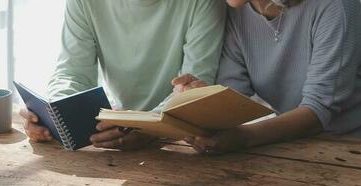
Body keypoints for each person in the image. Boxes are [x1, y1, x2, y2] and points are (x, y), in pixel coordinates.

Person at [174, 0, 361, 154]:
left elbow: (319, 110)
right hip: (296, 149)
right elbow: (233, 95)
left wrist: (243, 138)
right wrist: (203, 101)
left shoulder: (335, 6)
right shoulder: (235, 11)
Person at [19, 0, 226, 150]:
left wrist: (149, 128)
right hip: (114, 125)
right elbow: (72, 72)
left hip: (182, 139)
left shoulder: (205, 3)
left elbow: (195, 88)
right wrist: (53, 113)